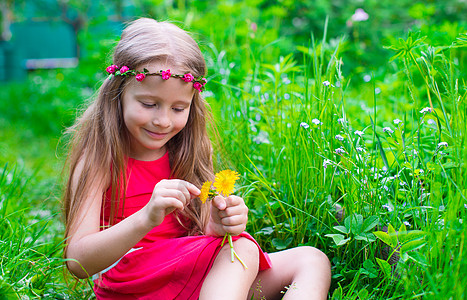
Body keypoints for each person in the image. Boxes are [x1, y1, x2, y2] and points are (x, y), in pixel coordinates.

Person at [62, 17, 331, 299]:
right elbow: (78, 261)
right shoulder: (101, 160)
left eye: (178, 108)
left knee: (311, 260)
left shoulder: (188, 152)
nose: (162, 121)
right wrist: (146, 218)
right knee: (243, 249)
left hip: (190, 277)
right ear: (118, 95)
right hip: (135, 283)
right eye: (149, 104)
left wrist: (216, 226)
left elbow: (199, 237)